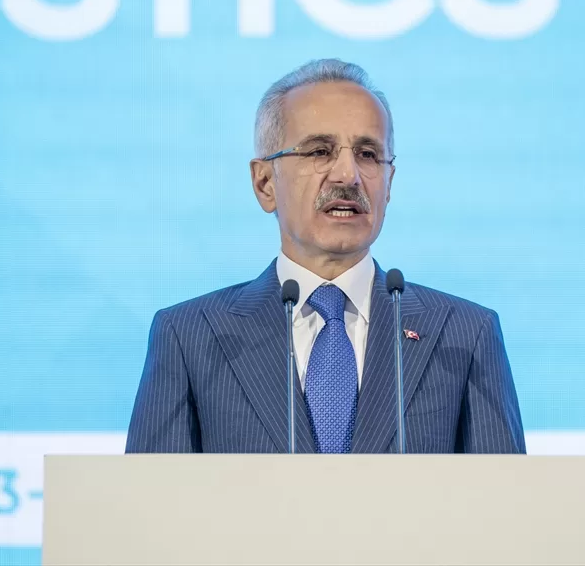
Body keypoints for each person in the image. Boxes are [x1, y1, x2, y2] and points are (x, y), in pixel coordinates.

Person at [126, 59, 524, 454]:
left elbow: (504, 492)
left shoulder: (463, 335)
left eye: (368, 154)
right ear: (264, 183)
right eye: (320, 151)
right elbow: (152, 493)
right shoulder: (191, 337)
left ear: (388, 184)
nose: (348, 175)